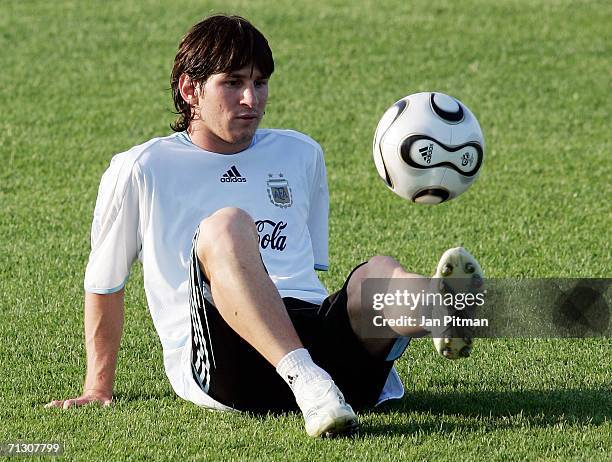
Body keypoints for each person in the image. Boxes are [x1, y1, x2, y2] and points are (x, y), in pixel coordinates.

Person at [45, 14, 483, 437]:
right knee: (228, 225)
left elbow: (308, 271)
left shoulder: (301, 153)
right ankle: (307, 381)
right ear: (189, 89)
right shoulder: (142, 167)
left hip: (327, 353)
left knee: (377, 272)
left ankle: (438, 307)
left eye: (260, 82)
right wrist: (97, 387)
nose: (251, 100)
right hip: (226, 361)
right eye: (232, 83)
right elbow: (105, 282)